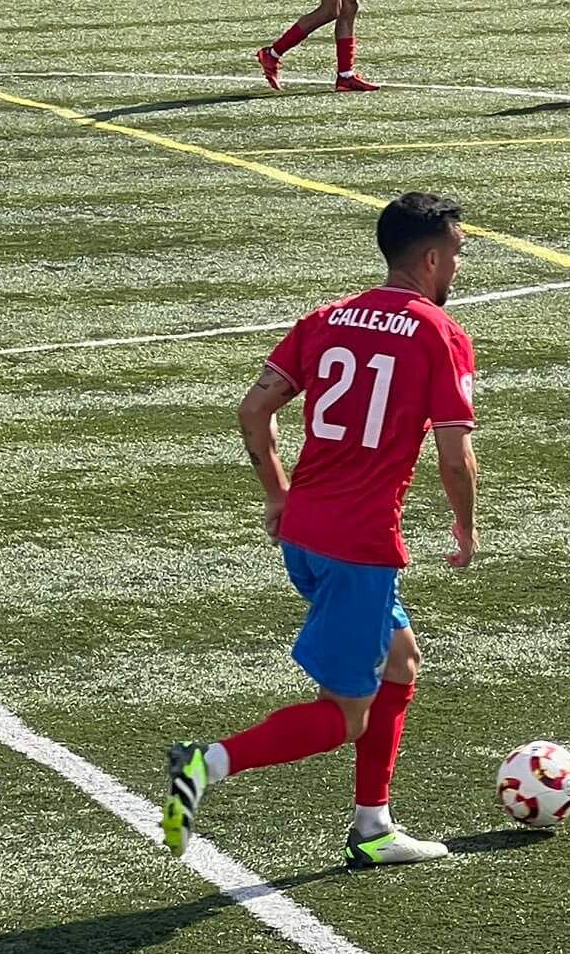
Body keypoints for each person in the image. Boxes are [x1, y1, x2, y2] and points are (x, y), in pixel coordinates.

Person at [162, 190, 478, 867]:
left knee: (402, 662)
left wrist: (278, 495)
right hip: (356, 548)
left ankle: (373, 828)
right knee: (345, 715)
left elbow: (253, 412)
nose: (458, 266)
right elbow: (455, 454)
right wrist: (464, 525)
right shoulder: (439, 334)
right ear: (429, 258)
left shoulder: (329, 318)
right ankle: (204, 764)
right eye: (456, 253)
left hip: (306, 534)